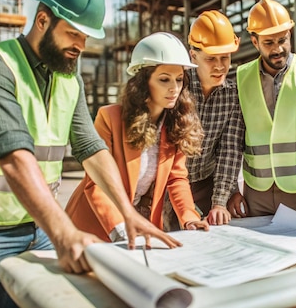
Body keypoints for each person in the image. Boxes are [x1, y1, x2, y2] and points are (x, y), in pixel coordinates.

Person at [0, 0, 180, 308]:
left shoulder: (69, 80)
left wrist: (127, 211)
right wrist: (64, 232)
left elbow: (91, 149)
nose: (81, 46)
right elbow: (13, 155)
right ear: (42, 21)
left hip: (39, 226)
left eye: (86, 37)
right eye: (73, 34)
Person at [66, 32, 210, 241]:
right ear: (143, 82)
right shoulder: (109, 118)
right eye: (164, 79)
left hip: (141, 223)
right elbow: (95, 183)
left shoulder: (175, 125)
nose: (174, 88)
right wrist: (121, 228)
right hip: (96, 225)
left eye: (179, 79)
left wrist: (189, 217)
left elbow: (177, 178)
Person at [227, 0, 296, 219]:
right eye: (269, 43)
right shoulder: (240, 78)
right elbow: (232, 141)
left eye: (283, 40)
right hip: (255, 194)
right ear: (255, 42)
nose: (278, 49)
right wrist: (232, 191)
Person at [163, 11, 244, 231]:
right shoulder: (177, 90)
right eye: (210, 58)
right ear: (193, 56)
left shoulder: (233, 95)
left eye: (225, 57)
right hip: (166, 187)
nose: (219, 66)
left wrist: (219, 202)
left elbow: (230, 150)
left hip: (206, 185)